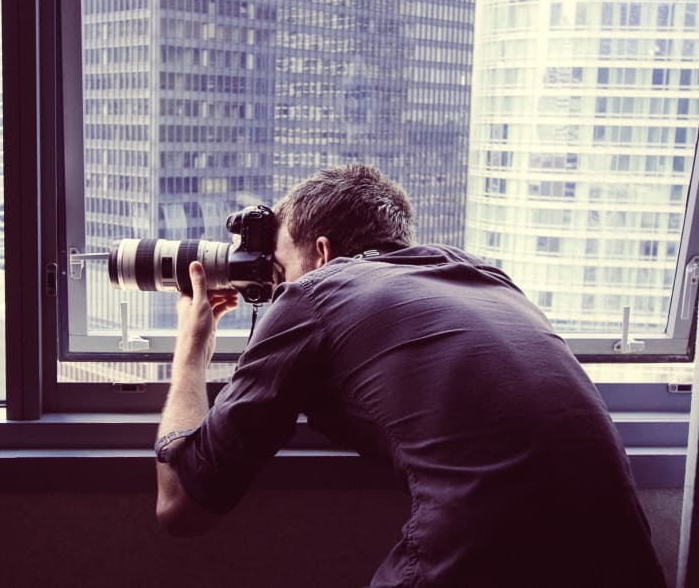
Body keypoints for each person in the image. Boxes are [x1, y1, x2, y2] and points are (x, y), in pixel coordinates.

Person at [154, 163, 666, 587]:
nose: (281, 287)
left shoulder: (319, 289)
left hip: (483, 566)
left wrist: (192, 344)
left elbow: (182, 506)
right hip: (627, 563)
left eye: (283, 271)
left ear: (324, 254)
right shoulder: (487, 277)